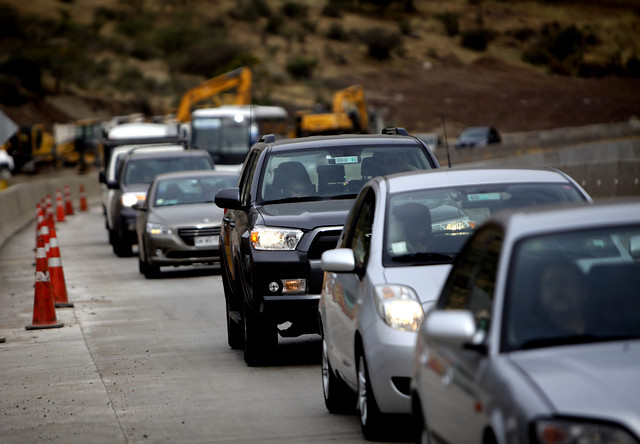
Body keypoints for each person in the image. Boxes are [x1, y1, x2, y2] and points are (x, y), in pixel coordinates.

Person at [537, 262, 587, 335]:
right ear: (540, 294)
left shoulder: (606, 329)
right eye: (549, 284)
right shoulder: (533, 339)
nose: (558, 289)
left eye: (567, 282)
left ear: (584, 291)